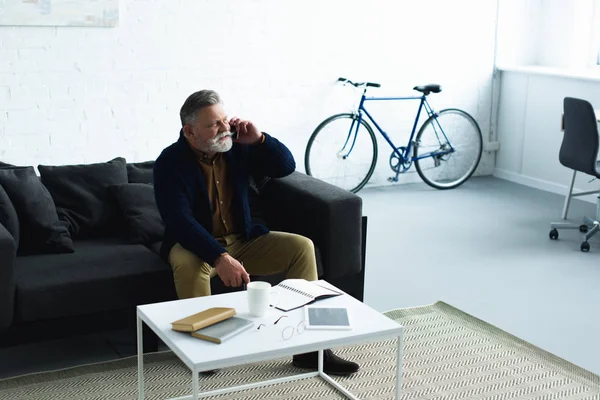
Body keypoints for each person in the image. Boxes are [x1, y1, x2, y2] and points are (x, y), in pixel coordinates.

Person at [153, 89, 359, 376]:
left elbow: (286, 166)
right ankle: (200, 352)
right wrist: (219, 256)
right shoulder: (169, 162)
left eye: (225, 119)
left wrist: (260, 140)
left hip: (244, 238)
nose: (225, 128)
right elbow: (178, 220)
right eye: (214, 124)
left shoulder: (236, 147)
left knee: (301, 247)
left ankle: (311, 350)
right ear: (190, 131)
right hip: (194, 243)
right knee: (189, 266)